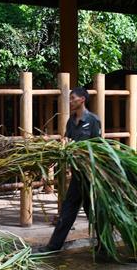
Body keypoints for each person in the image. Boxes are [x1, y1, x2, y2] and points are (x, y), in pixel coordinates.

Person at [40, 87, 102, 253]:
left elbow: (98, 148)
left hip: (89, 174)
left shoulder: (93, 120)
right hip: (77, 173)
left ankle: (104, 244)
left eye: (73, 98)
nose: (70, 101)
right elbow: (67, 141)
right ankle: (54, 246)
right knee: (70, 209)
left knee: (89, 210)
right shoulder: (71, 121)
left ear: (82, 99)